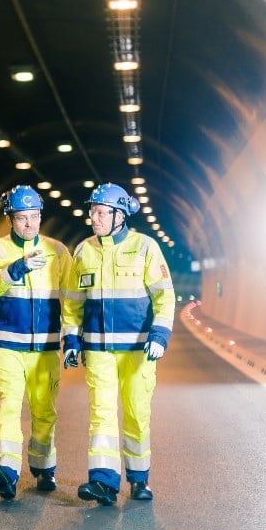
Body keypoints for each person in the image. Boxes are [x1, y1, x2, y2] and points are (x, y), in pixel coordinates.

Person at [61, 182, 175, 505]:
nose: (93, 218)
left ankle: (139, 480)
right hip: (97, 351)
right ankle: (104, 482)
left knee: (137, 413)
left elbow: (165, 296)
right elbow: (72, 303)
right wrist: (71, 340)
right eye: (92, 212)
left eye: (100, 213)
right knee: (102, 415)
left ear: (119, 215)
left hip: (137, 352)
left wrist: (159, 335)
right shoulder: (83, 251)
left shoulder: (145, 248)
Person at [0, 185, 72, 500]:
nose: (30, 224)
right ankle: (7, 470)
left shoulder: (58, 251)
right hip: (8, 345)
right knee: (8, 406)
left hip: (45, 348)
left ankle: (45, 467)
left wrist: (72, 336)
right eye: (22, 218)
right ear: (10, 218)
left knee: (44, 410)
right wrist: (15, 269)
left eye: (35, 217)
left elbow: (71, 298)